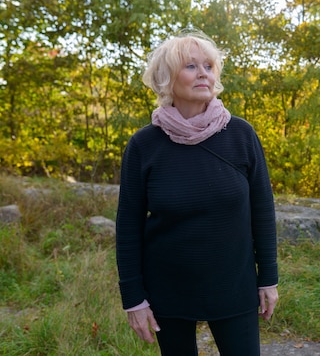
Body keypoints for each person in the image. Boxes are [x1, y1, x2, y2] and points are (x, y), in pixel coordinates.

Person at [115, 30, 279, 356]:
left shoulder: (241, 135)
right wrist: (133, 297)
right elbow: (128, 226)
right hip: (168, 290)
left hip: (234, 286)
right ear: (166, 78)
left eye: (208, 65)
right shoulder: (144, 146)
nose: (203, 73)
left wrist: (268, 279)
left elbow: (263, 209)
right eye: (190, 66)